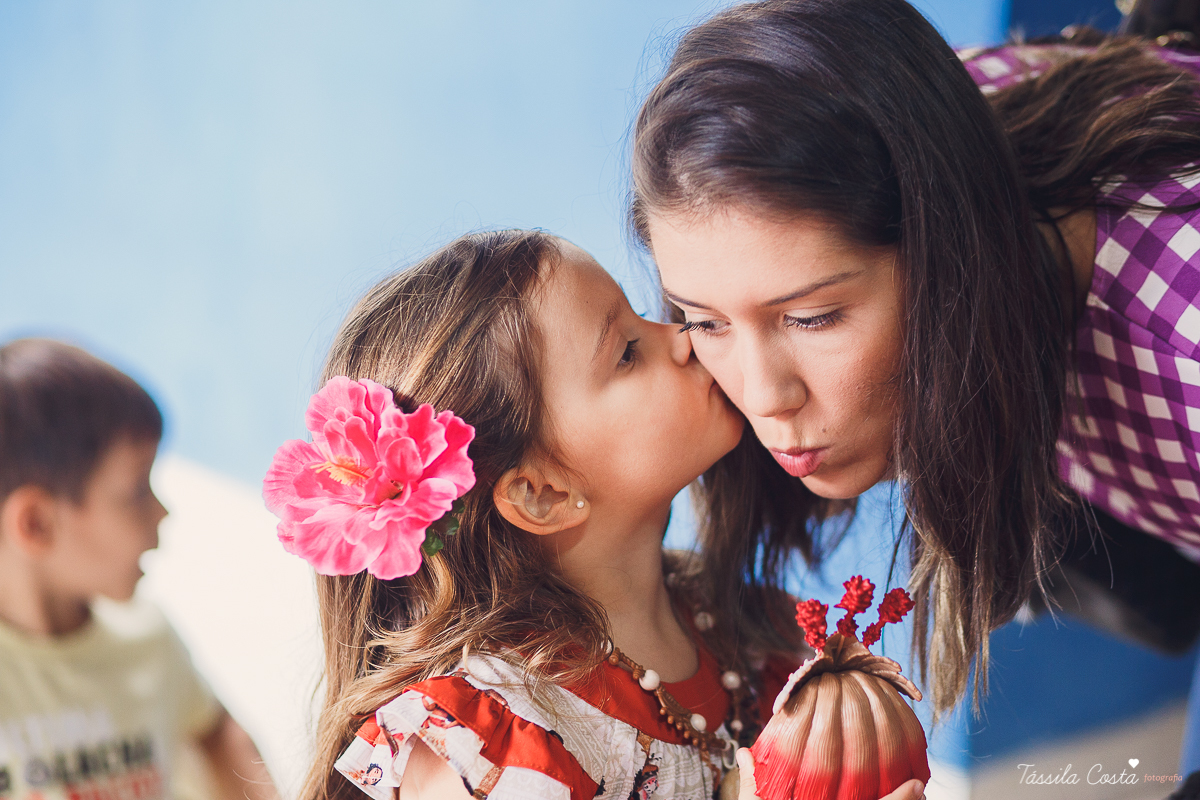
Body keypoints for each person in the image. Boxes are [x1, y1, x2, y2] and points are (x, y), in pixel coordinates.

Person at [629, 0, 1200, 759]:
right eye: (706, 321)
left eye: (814, 318)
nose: (766, 397)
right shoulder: (905, 119)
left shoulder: (1183, 337)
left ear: (954, 250)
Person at [274, 231, 926, 800]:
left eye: (646, 316)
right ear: (544, 494)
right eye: (627, 351)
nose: (683, 338)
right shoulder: (483, 742)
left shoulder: (746, 634)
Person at [0, 338, 280, 800]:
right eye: (135, 490)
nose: (161, 512)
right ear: (36, 523)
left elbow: (221, 736)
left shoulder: (148, 636)